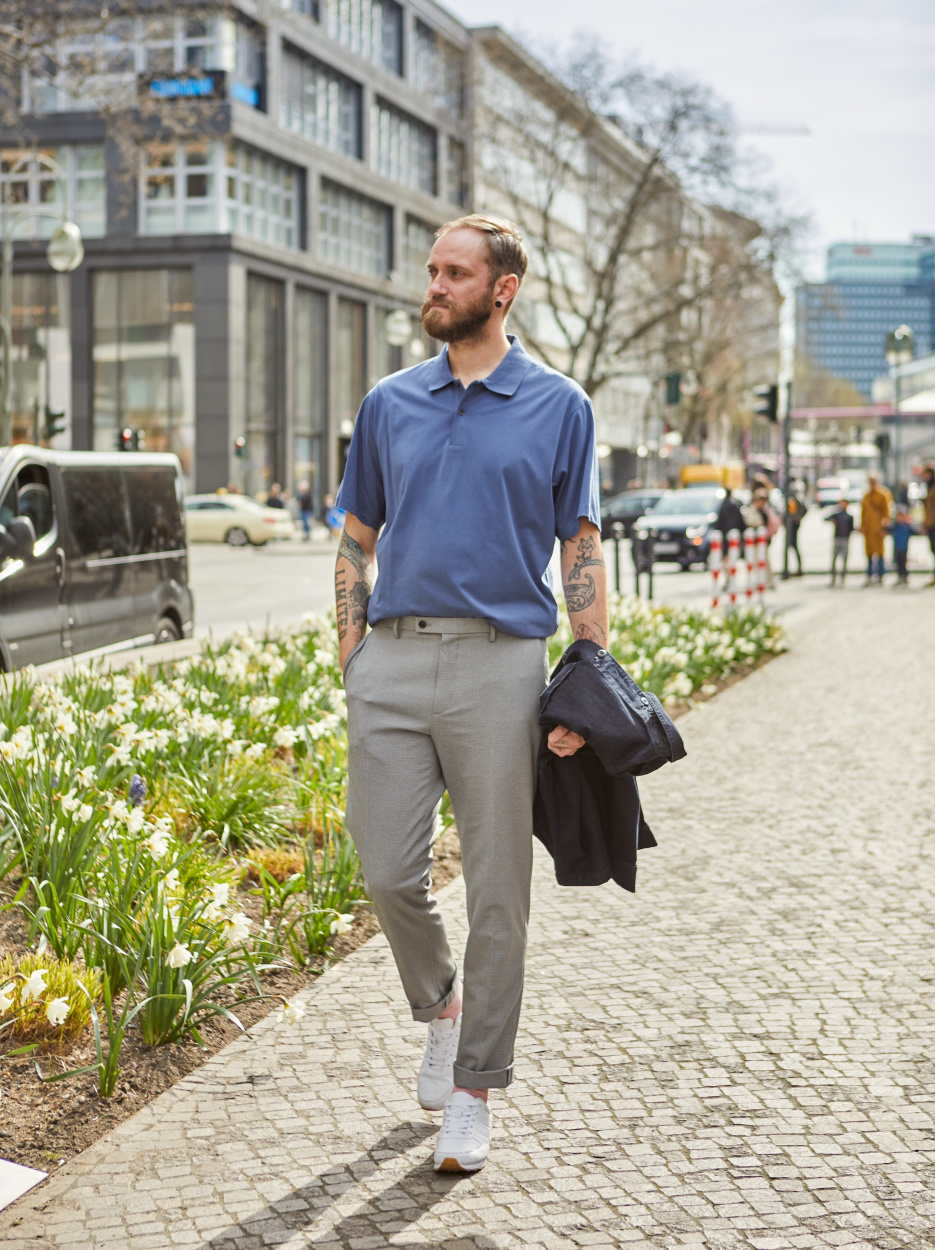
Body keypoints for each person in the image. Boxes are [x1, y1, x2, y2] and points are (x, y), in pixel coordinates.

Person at [334, 214, 604, 1174]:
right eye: (432, 269)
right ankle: (442, 1008)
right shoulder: (389, 403)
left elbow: (580, 548)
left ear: (503, 289)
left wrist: (588, 682)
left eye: (454, 272)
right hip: (392, 664)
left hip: (500, 664)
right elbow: (356, 535)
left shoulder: (559, 406)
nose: (434, 284)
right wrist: (350, 648)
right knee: (387, 873)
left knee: (498, 890)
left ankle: (476, 1087)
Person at [860, 474, 891, 585]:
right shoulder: (866, 496)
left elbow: (886, 512)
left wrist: (885, 527)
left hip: (878, 528)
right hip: (869, 528)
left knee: (880, 552)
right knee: (869, 552)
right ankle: (869, 574)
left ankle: (881, 574)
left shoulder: (883, 495)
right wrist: (862, 526)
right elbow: (863, 512)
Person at [825, 497, 855, 586]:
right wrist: (832, 519)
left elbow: (851, 528)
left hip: (845, 539)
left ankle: (843, 577)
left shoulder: (849, 517)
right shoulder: (836, 515)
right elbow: (825, 518)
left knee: (844, 559)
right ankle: (833, 577)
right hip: (837, 538)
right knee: (834, 559)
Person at [889, 507, 916, 586]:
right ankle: (899, 576)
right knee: (898, 563)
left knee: (903, 563)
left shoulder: (906, 526)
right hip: (897, 548)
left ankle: (905, 576)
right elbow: (888, 528)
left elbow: (915, 531)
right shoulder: (895, 526)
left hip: (904, 548)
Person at [784, 489, 807, 576]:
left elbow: (804, 508)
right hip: (791, 524)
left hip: (793, 525)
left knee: (793, 545)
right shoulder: (793, 496)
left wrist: (797, 517)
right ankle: (793, 568)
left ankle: (799, 568)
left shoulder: (795, 496)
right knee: (791, 546)